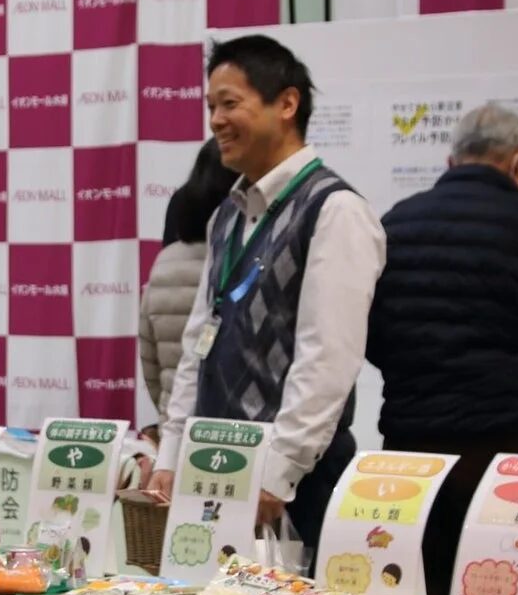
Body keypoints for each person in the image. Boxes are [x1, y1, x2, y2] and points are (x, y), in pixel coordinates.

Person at [149, 35, 386, 564]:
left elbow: (328, 358)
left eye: (230, 103)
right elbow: (196, 343)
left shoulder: (335, 210)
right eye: (211, 105)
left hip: (297, 488)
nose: (215, 120)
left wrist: (278, 476)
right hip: (215, 470)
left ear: (287, 103)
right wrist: (172, 450)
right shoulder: (227, 215)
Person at [369, 103, 518, 595]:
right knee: (495, 586)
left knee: (414, 586)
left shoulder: (397, 222)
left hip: (409, 439)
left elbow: (369, 331)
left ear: (452, 160)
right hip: (497, 441)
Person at [138, 139, 229, 414]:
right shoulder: (251, 258)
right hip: (243, 436)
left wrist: (168, 411)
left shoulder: (165, 262)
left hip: (176, 423)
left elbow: (149, 360)